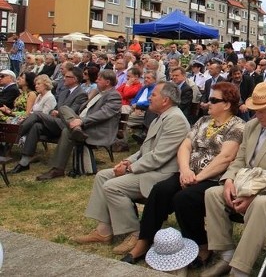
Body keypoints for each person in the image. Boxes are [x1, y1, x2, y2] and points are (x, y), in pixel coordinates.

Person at [121, 82, 244, 266]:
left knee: (184, 198)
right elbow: (185, 145)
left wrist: (198, 177)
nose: (207, 103)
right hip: (188, 173)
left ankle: (202, 245)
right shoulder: (203, 121)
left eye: (213, 100)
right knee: (161, 190)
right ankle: (144, 241)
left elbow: (226, 157)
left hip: (214, 178)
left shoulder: (237, 126)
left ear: (226, 104)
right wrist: (185, 170)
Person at [200, 82, 266, 277]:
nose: (258, 115)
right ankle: (226, 254)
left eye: (263, 111)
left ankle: (239, 269)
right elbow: (240, 159)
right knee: (212, 194)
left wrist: (252, 194)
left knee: (260, 205)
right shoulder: (251, 126)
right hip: (245, 183)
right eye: (255, 110)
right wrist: (229, 180)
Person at [72, 82, 190, 255]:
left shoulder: (176, 120)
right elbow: (144, 150)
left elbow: (159, 157)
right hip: (150, 168)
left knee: (112, 186)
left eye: (154, 95)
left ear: (165, 100)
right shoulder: (163, 116)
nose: (149, 97)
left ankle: (135, 233)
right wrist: (127, 161)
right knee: (103, 176)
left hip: (161, 175)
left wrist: (130, 169)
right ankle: (104, 230)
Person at [36, 70, 122, 181]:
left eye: (99, 79)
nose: (96, 81)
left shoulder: (114, 96)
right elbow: (84, 108)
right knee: (63, 108)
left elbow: (104, 113)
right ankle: (76, 129)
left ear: (107, 82)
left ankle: (57, 169)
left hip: (95, 128)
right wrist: (77, 120)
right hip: (82, 123)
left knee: (67, 131)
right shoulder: (96, 92)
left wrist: (81, 121)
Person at [11, 68, 87, 173]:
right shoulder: (64, 92)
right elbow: (55, 108)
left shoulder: (81, 94)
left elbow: (72, 113)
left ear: (75, 79)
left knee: (37, 115)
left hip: (68, 125)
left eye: (67, 77)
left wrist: (57, 112)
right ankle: (24, 162)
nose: (63, 78)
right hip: (56, 122)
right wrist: (54, 111)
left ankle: (13, 135)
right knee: (36, 126)